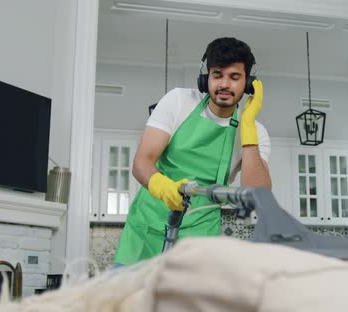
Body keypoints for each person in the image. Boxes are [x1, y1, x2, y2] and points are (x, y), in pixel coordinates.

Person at [113, 37, 272, 265]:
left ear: (248, 83)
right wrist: (163, 186)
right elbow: (142, 161)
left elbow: (258, 195)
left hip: (200, 239)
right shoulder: (178, 101)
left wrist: (247, 126)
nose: (225, 84)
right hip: (146, 228)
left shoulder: (256, 132)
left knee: (188, 301)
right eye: (217, 75)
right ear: (206, 78)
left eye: (235, 77)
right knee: (124, 299)